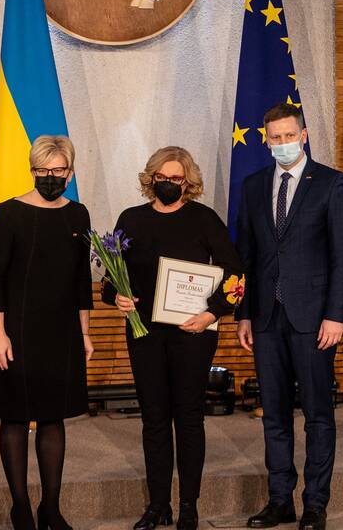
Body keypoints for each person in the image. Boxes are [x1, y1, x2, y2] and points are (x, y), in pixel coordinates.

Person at [104, 146, 243, 530]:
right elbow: (110, 278)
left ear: (188, 182)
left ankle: (189, 506)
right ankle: (158, 504)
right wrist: (114, 295)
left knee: (188, 417)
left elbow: (236, 275)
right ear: (151, 180)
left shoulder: (204, 220)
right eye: (161, 179)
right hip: (144, 334)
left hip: (193, 335)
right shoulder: (130, 220)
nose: (167, 184)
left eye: (175, 179)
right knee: (153, 420)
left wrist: (212, 313)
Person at [234, 103, 343, 530]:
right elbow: (246, 255)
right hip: (266, 317)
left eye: (289, 136)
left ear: (303, 136)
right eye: (274, 138)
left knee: (319, 414)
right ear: (266, 141)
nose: (282, 144)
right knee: (275, 413)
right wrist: (244, 314)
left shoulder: (330, 184)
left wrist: (336, 315)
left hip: (314, 318)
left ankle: (316, 504)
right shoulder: (252, 187)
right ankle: (280, 499)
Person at [0, 136, 94, 530]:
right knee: (14, 418)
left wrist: (84, 334)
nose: (50, 177)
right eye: (43, 170)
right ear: (32, 171)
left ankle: (51, 507)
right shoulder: (9, 213)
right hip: (16, 331)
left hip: (62, 331)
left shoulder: (78, 215)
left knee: (53, 418)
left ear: (71, 172)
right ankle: (20, 507)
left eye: (58, 170)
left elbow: (82, 281)